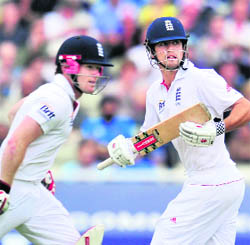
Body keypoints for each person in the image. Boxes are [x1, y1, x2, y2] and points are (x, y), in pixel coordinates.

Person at [106, 17, 250, 244]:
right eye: (163, 44)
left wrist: (216, 128)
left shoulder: (202, 78)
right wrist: (128, 149)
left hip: (213, 181)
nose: (171, 50)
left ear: (184, 47)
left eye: (175, 43)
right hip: (214, 184)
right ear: (151, 51)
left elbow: (245, 108)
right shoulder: (155, 93)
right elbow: (152, 138)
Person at [0, 35, 113, 244]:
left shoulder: (56, 94)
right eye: (90, 67)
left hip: (32, 189)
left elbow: (15, 114)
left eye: (99, 68)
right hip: (11, 187)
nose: (97, 74)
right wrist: (3, 186)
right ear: (69, 65)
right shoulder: (57, 99)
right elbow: (17, 140)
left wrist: (39, 167)